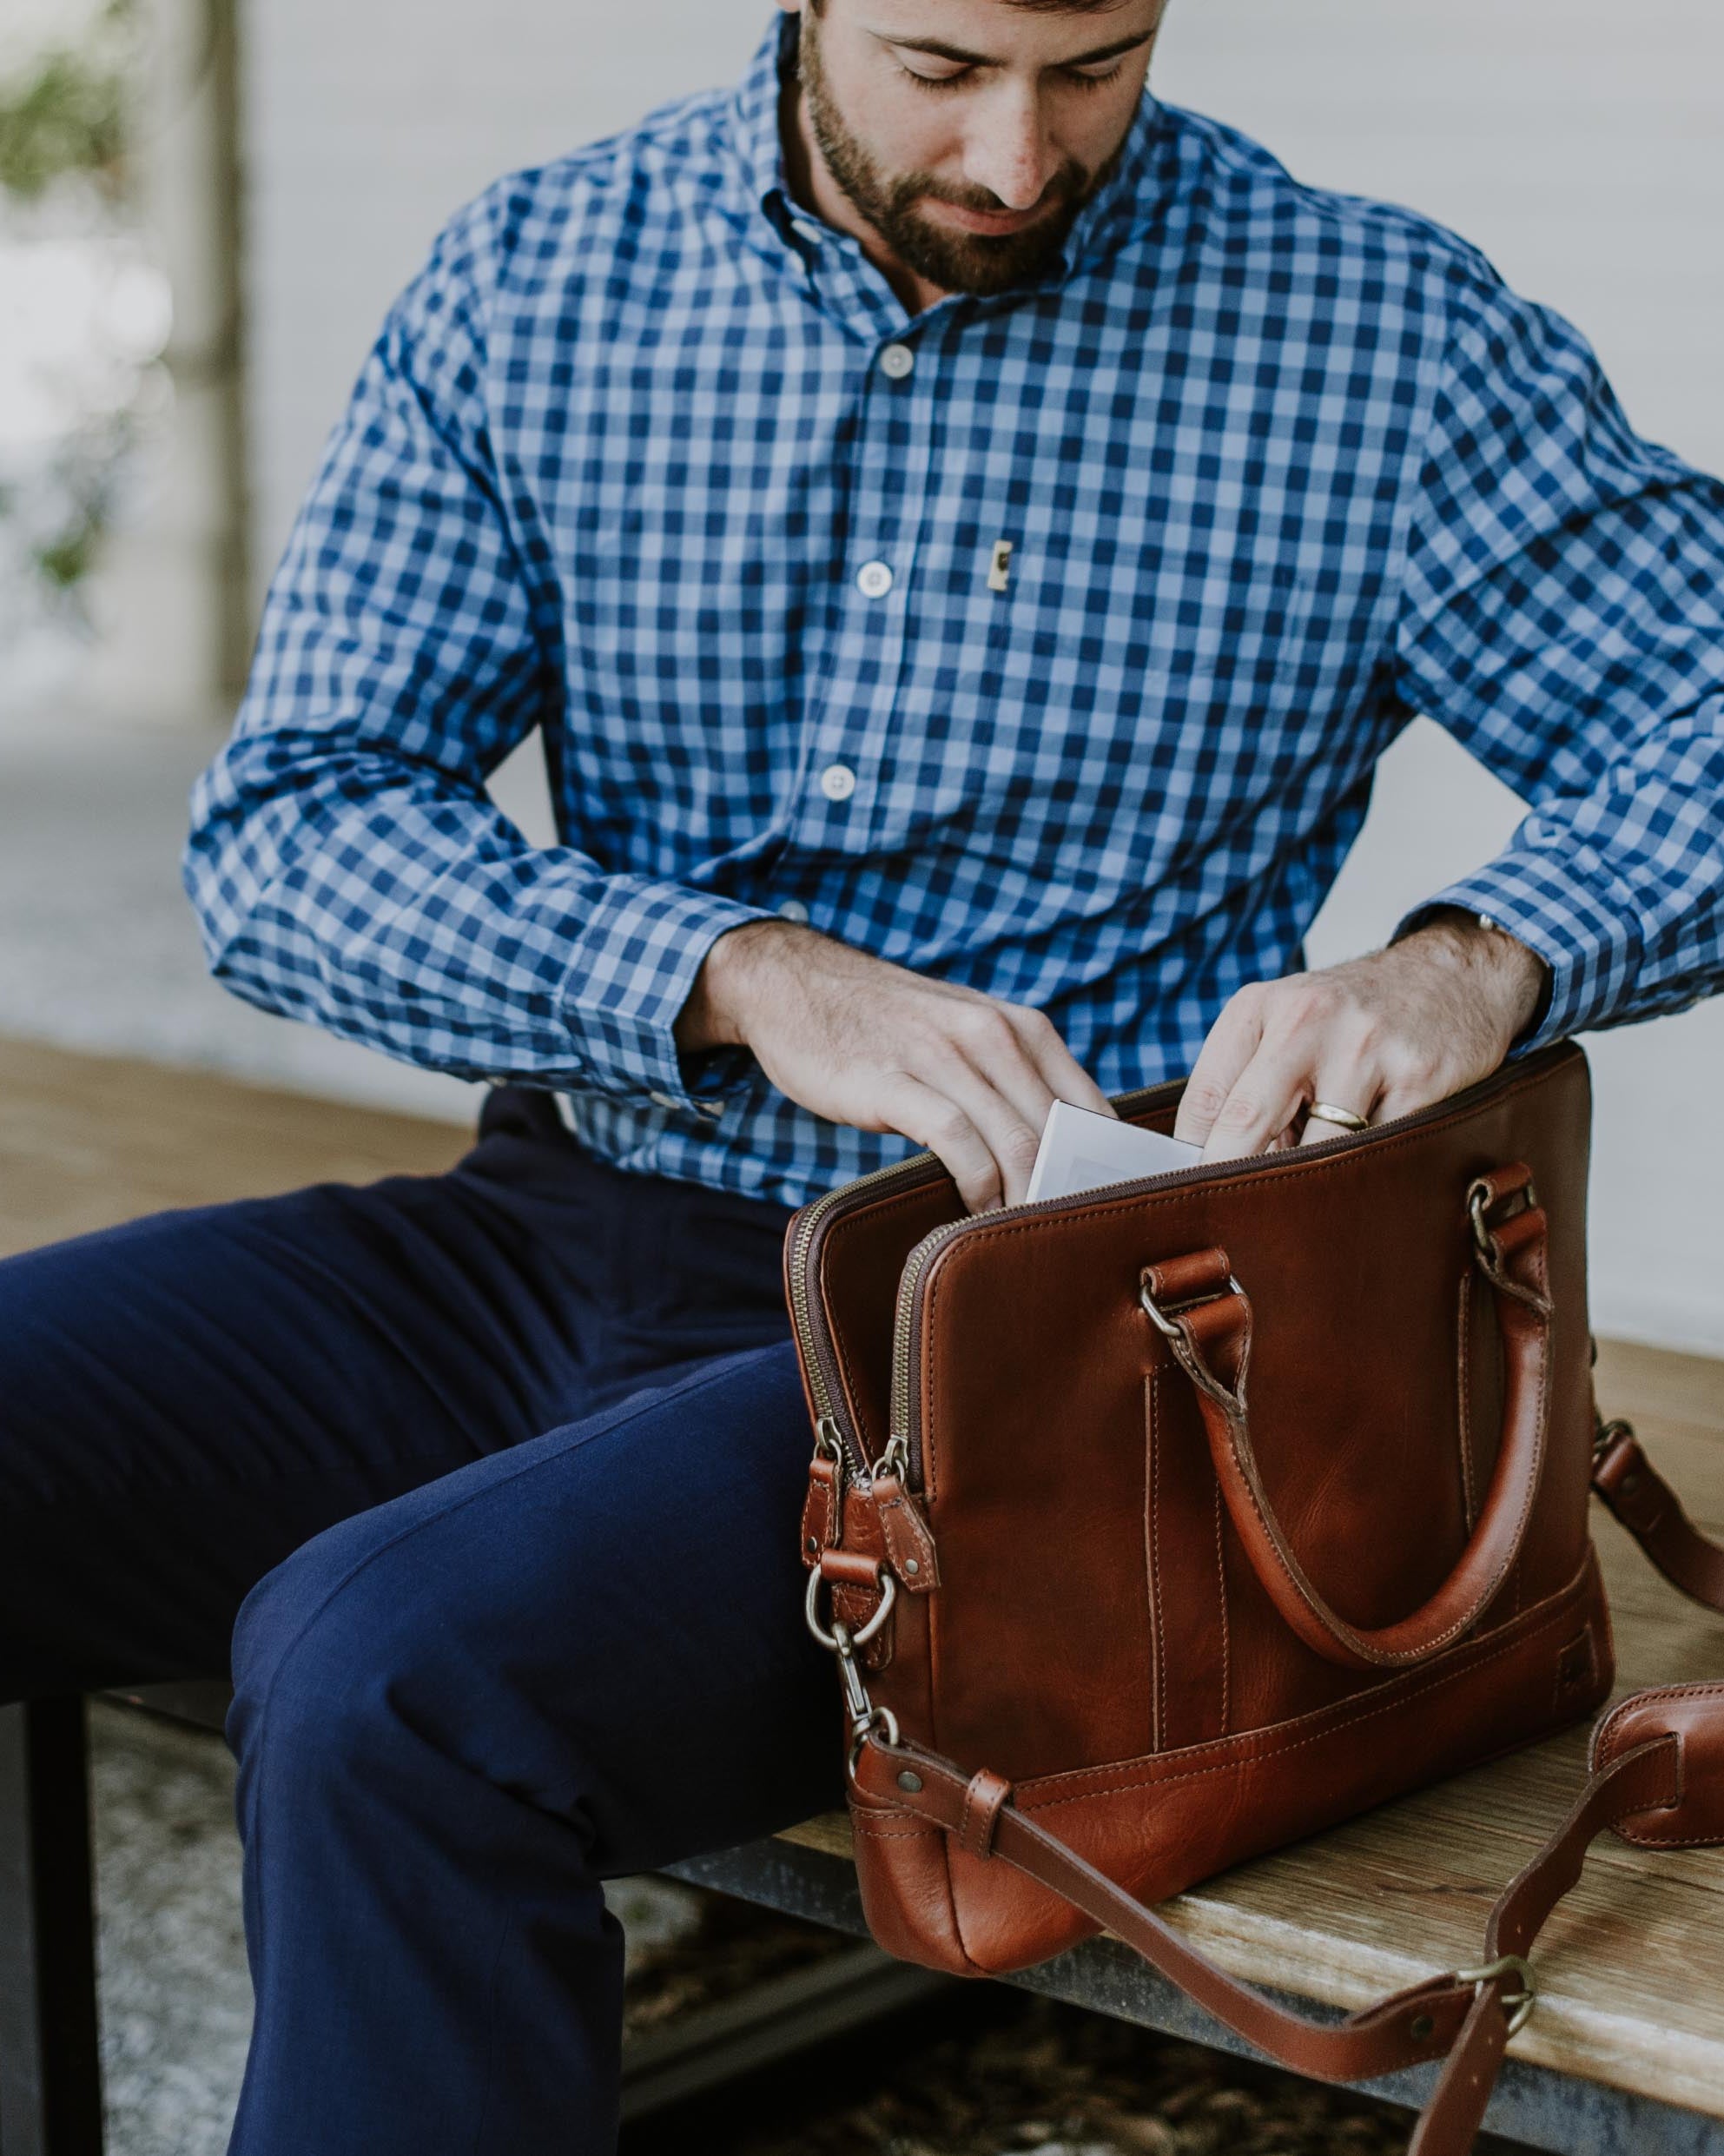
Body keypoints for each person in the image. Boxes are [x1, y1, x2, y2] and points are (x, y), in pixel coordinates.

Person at [4, 1, 1721, 2147]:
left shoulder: (1378, 334)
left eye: (1095, 63)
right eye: (942, 64)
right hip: (558, 1225)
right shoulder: (538, 277)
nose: (1020, 156)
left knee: (386, 1681)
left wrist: (1484, 954)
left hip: (1037, 1360)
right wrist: (727, 965)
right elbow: (291, 833)